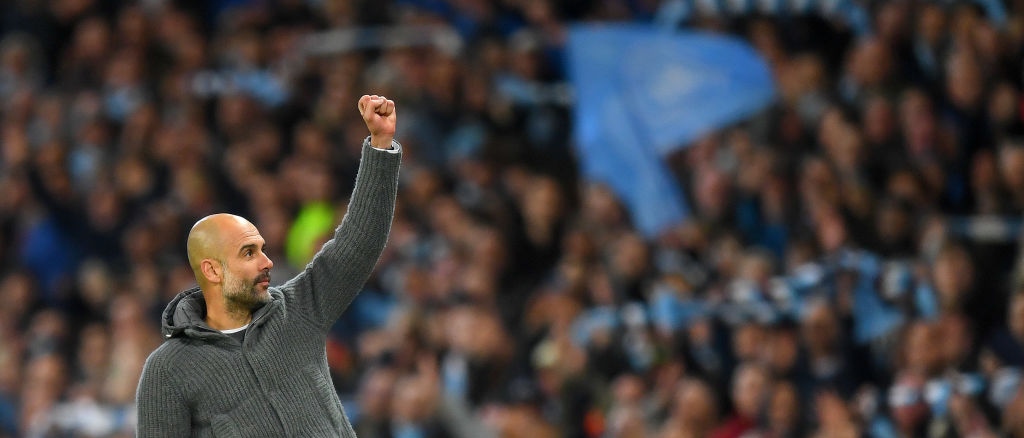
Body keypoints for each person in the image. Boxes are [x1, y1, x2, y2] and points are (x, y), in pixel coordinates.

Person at [135, 95, 402, 437]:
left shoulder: (298, 308)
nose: (267, 261)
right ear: (213, 271)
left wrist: (380, 147)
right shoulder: (168, 370)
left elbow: (359, 242)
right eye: (248, 253)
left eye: (262, 249)